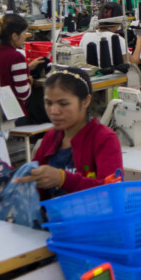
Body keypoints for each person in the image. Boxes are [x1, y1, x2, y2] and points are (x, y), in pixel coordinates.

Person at [22, 68, 123, 198]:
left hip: (89, 218)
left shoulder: (104, 139)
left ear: (86, 101)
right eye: (48, 103)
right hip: (50, 216)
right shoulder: (51, 137)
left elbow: (113, 193)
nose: (54, 111)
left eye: (63, 104)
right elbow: (29, 181)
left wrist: (63, 179)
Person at [0, 14, 45, 115]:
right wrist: (29, 81)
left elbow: (3, 71)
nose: (25, 36)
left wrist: (27, 68)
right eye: (24, 33)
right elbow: (23, 94)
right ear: (14, 36)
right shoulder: (17, 57)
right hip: (13, 113)